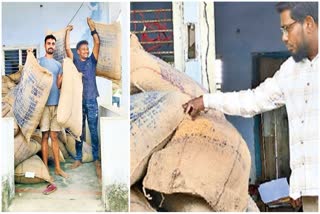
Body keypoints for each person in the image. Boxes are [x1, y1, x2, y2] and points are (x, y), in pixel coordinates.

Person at [183, 2, 318, 212]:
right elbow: (252, 100)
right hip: (310, 195)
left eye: (287, 28)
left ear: (308, 24)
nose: (283, 37)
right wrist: (206, 101)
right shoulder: (290, 72)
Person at [65, 17, 101, 180]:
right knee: (79, 131)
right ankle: (79, 159)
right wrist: (67, 33)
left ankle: (96, 158)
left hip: (92, 100)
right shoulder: (75, 62)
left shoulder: (92, 61)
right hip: (79, 102)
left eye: (87, 49)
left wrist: (92, 28)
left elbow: (97, 43)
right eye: (84, 49)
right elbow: (66, 49)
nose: (87, 51)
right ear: (78, 51)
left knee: (93, 131)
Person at [38, 34, 69, 194]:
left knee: (54, 137)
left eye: (53, 43)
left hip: (56, 105)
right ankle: (45, 170)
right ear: (44, 45)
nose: (50, 45)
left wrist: (66, 76)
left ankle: (57, 168)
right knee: (44, 137)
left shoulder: (58, 65)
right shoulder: (39, 62)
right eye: (48, 43)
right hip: (43, 106)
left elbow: (59, 84)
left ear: (55, 47)